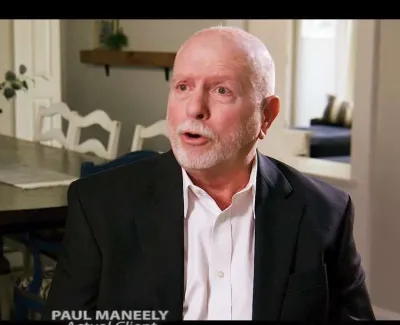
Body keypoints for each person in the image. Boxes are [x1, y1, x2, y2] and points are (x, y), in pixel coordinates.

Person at [43, 26, 375, 321]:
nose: (194, 108)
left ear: (267, 116)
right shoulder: (99, 205)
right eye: (183, 87)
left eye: (221, 90)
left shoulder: (325, 211)